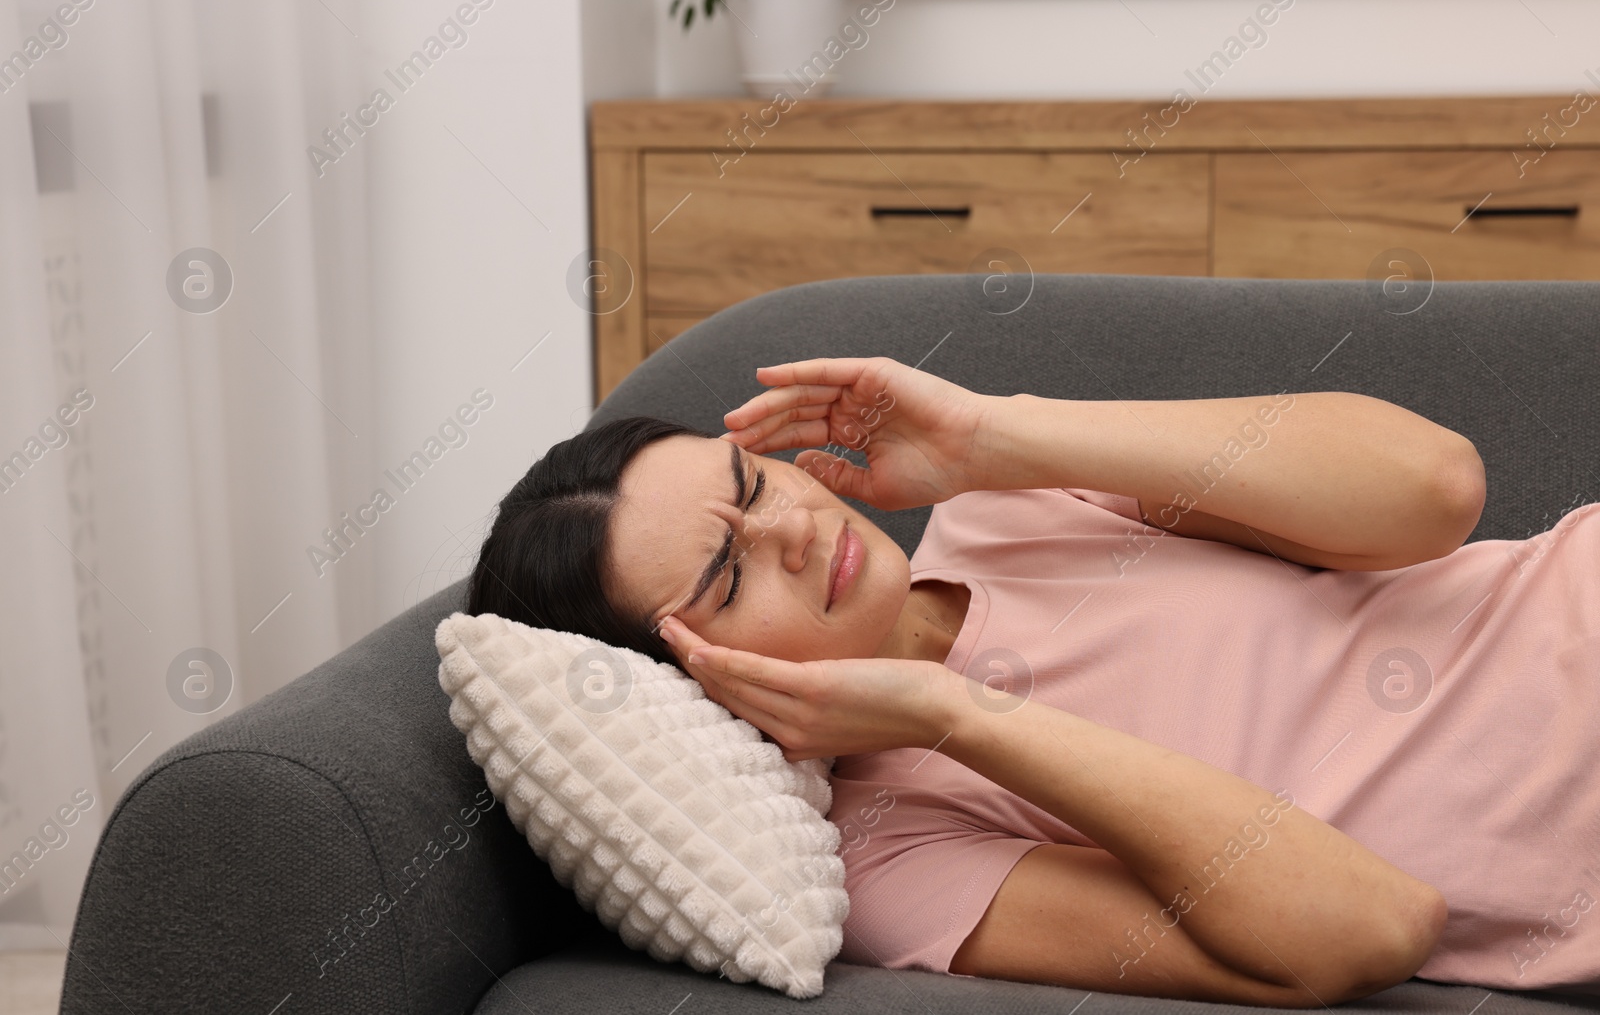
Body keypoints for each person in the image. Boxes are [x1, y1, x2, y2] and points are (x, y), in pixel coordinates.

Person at [466, 355, 1600, 1006]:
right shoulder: (888, 856)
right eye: (728, 572)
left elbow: (1434, 486)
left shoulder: (1005, 508)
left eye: (752, 484)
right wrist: (952, 709)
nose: (797, 530)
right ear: (690, 684)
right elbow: (1370, 924)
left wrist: (997, 437)